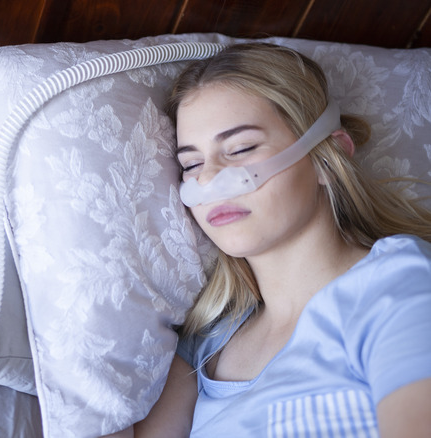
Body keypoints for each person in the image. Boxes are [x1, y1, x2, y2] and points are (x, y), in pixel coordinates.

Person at [110, 42, 431, 437]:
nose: (209, 181)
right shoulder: (205, 347)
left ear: (327, 158)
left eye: (241, 148)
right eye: (191, 164)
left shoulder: (398, 285)